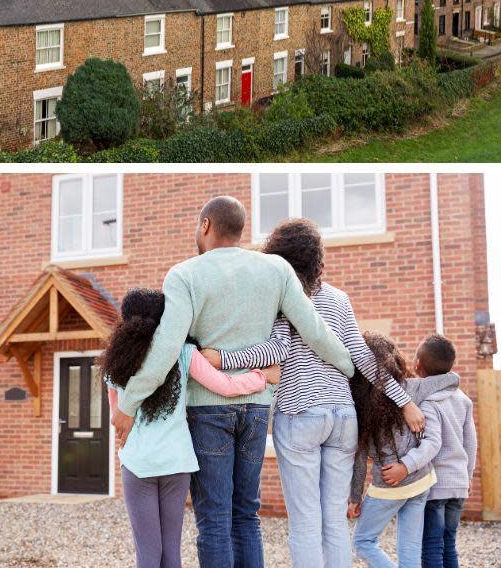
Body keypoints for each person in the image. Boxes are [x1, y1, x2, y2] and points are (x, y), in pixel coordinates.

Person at [111, 196, 353, 568]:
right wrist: (349, 368)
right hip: (257, 408)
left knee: (215, 519)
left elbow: (165, 351)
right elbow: (315, 331)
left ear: (205, 225)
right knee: (246, 515)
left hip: (207, 411)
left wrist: (127, 407)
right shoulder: (276, 269)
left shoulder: (185, 274)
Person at [203, 218, 426, 568]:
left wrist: (224, 358)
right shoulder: (339, 299)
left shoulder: (282, 297)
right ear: (316, 258)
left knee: (306, 523)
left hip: (300, 413)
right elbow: (364, 357)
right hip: (342, 417)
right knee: (334, 522)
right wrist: (406, 401)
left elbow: (276, 351)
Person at [104, 289, 282, 568]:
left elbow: (117, 418)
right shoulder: (184, 353)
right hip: (177, 463)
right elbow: (227, 386)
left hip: (138, 464)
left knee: (148, 555)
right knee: (171, 552)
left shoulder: (114, 365)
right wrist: (263, 377)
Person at [348, 332, 441, 568]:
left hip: (391, 484)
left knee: (362, 541)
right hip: (422, 480)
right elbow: (451, 379)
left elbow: (359, 458)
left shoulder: (360, 406)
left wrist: (355, 497)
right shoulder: (411, 389)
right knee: (409, 548)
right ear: (395, 361)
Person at [410, 334, 476, 568]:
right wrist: (467, 476)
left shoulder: (428, 402)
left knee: (431, 546)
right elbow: (471, 443)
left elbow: (432, 443)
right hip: (458, 483)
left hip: (436, 486)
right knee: (449, 543)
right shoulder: (463, 400)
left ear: (418, 364)